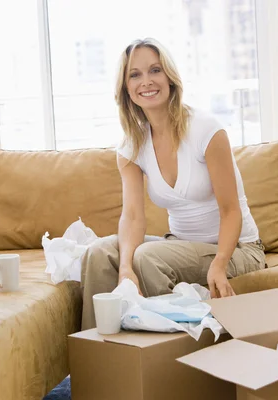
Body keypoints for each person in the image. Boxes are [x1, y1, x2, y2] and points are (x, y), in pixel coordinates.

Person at [80, 38, 265, 330]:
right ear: (126, 88)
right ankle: (100, 356)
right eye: (135, 74)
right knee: (98, 254)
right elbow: (132, 217)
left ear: (170, 77)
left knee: (148, 257)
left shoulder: (205, 130)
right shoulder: (131, 145)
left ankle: (163, 361)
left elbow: (231, 210)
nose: (147, 81)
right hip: (180, 245)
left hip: (238, 248)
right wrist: (125, 267)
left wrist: (219, 263)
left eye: (155, 70)